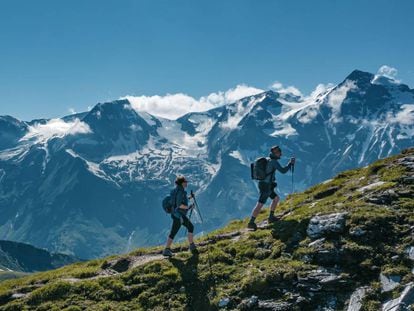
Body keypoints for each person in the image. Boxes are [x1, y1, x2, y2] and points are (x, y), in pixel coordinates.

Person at [248, 146, 295, 230]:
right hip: (266, 186)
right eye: (279, 152)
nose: (281, 154)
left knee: (276, 198)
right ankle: (251, 222)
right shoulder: (273, 162)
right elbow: (283, 171)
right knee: (260, 204)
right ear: (275, 153)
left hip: (264, 184)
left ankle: (271, 217)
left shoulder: (268, 159)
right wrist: (290, 164)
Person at [162, 176, 197, 257]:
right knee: (188, 227)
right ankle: (191, 246)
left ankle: (167, 249)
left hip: (176, 215)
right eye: (185, 182)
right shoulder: (180, 191)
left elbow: (181, 200)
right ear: (182, 183)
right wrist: (189, 207)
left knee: (177, 231)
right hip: (179, 216)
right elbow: (179, 205)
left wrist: (190, 197)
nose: (187, 183)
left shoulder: (176, 190)